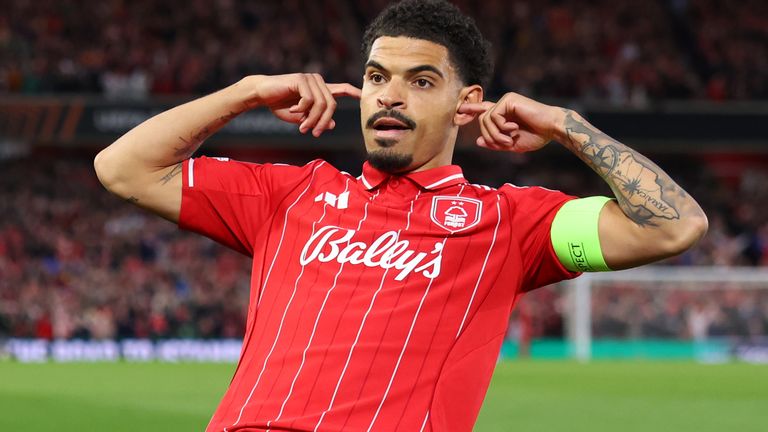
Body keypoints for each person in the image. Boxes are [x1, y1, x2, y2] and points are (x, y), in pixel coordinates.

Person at [94, 1, 708, 430]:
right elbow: (123, 168)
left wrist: (565, 125)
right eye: (377, 76)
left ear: (466, 103)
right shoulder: (291, 195)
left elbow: (673, 225)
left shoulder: (510, 223)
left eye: (421, 81)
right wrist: (245, 92)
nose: (389, 95)